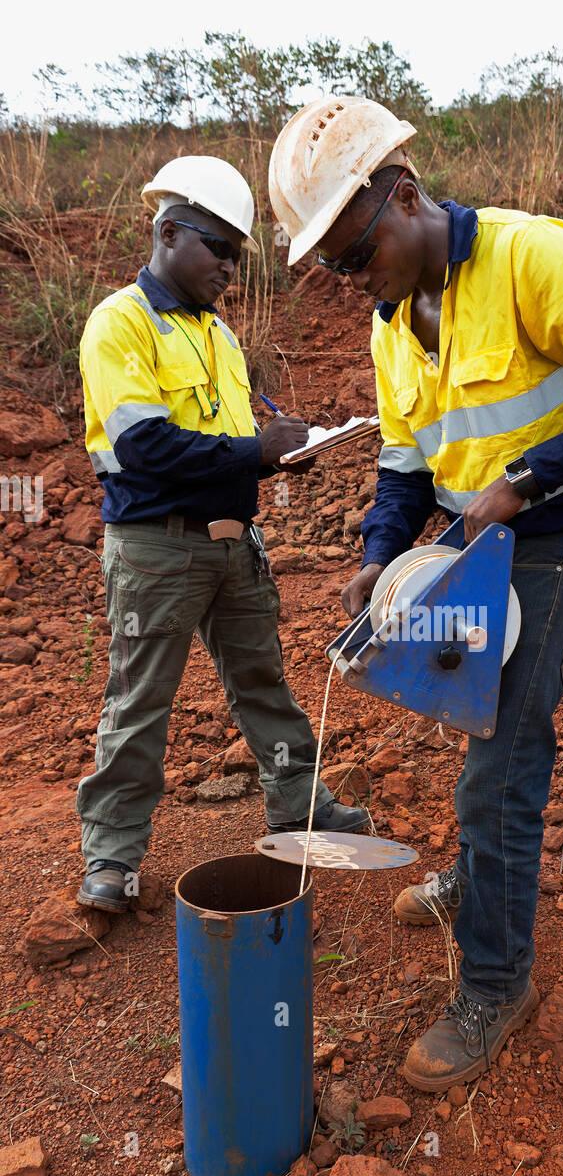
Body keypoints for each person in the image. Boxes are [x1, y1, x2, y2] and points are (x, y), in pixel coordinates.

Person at [269, 100, 563, 1091]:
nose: (349, 277)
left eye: (354, 248)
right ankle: (478, 880)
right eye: (330, 265)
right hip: (466, 546)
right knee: (471, 716)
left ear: (404, 196)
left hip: (552, 538)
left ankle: (497, 982)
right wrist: (380, 553)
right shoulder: (392, 325)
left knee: (502, 764)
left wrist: (526, 483)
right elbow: (404, 465)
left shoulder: (529, 256)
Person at [77, 154, 369, 914]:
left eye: (237, 253)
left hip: (233, 543)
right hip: (155, 549)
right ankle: (111, 856)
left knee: (263, 687)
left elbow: (220, 451)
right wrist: (257, 451)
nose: (230, 268)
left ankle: (299, 809)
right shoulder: (120, 324)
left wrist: (280, 459)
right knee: (140, 701)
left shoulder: (219, 337)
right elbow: (144, 450)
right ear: (169, 233)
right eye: (217, 248)